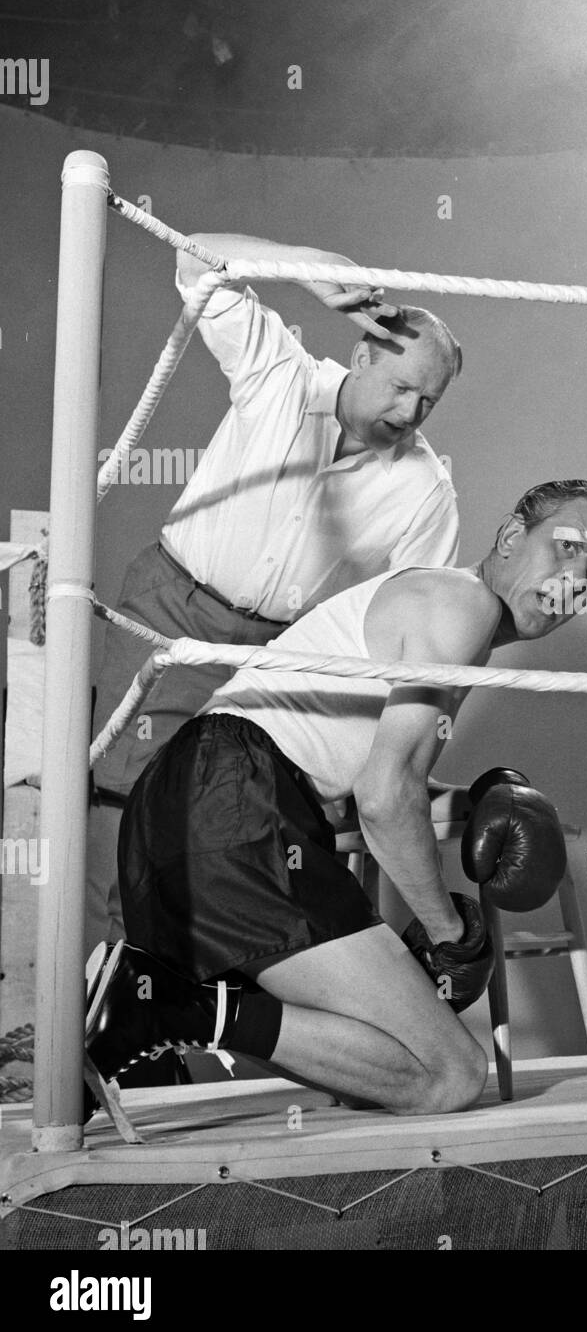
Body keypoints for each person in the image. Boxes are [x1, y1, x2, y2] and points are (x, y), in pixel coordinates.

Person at [85, 480, 587, 1117]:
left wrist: (462, 800)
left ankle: (162, 1008)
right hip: (234, 805)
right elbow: (383, 797)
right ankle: (164, 1007)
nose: (576, 575)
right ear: (512, 536)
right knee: (452, 1073)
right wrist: (450, 934)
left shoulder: (442, 609)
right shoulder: (464, 606)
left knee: (376, 1070)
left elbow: (366, 776)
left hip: (176, 816)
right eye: (567, 546)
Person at [88, 231, 464, 955]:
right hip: (173, 604)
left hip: (280, 657)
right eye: (401, 386)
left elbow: (427, 639)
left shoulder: (426, 491)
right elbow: (195, 258)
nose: (412, 411)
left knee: (232, 835)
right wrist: (315, 267)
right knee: (120, 802)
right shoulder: (280, 375)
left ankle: (171, 1021)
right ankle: (100, 1024)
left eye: (429, 399)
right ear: (361, 353)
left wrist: (393, 761)